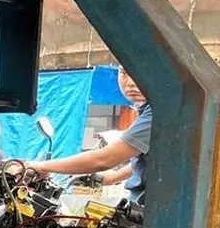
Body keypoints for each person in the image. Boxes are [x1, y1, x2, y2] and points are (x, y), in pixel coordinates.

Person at [27, 68, 151, 202]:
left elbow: (104, 159)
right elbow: (144, 158)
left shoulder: (156, 114)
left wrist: (42, 166)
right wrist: (112, 177)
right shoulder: (147, 109)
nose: (130, 83)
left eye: (138, 74)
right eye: (124, 73)